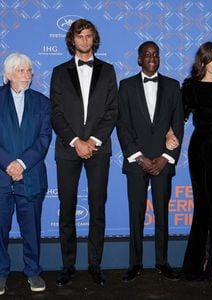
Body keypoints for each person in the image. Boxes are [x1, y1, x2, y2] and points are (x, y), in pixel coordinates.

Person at [50, 19, 118, 286]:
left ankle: (95, 264)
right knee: (66, 209)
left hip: (99, 150)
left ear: (94, 39)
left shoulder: (109, 70)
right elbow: (55, 112)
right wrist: (77, 141)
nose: (85, 41)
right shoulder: (59, 72)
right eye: (80, 36)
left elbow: (112, 111)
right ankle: (68, 265)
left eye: (89, 36)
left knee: (97, 207)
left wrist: (93, 141)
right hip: (68, 149)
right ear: (72, 40)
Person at [168, 41, 212, 281]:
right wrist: (170, 132)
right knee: (203, 206)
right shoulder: (190, 87)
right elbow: (179, 117)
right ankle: (195, 264)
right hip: (201, 150)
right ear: (203, 61)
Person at [117, 41, 184, 282]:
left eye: (155, 54)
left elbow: (178, 124)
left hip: (163, 162)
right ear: (139, 59)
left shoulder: (173, 86)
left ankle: (162, 261)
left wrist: (166, 158)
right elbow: (122, 125)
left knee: (162, 215)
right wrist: (139, 157)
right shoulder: (125, 86)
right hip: (137, 162)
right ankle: (134, 263)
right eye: (147, 54)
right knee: (136, 214)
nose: (152, 57)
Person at [0, 53, 52, 295]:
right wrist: (8, 164)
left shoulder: (42, 102)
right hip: (1, 178)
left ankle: (33, 271)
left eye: (29, 70)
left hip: (31, 178)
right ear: (8, 74)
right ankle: (1, 273)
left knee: (31, 228)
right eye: (21, 70)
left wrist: (21, 163)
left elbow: (43, 140)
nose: (27, 75)